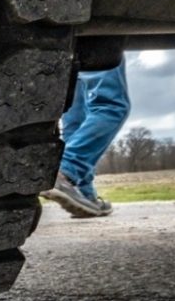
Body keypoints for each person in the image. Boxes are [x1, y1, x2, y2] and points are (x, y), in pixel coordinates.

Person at [43, 55, 131, 217]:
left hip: (68, 46)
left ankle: (85, 195)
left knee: (74, 121)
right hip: (101, 38)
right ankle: (65, 172)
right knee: (111, 106)